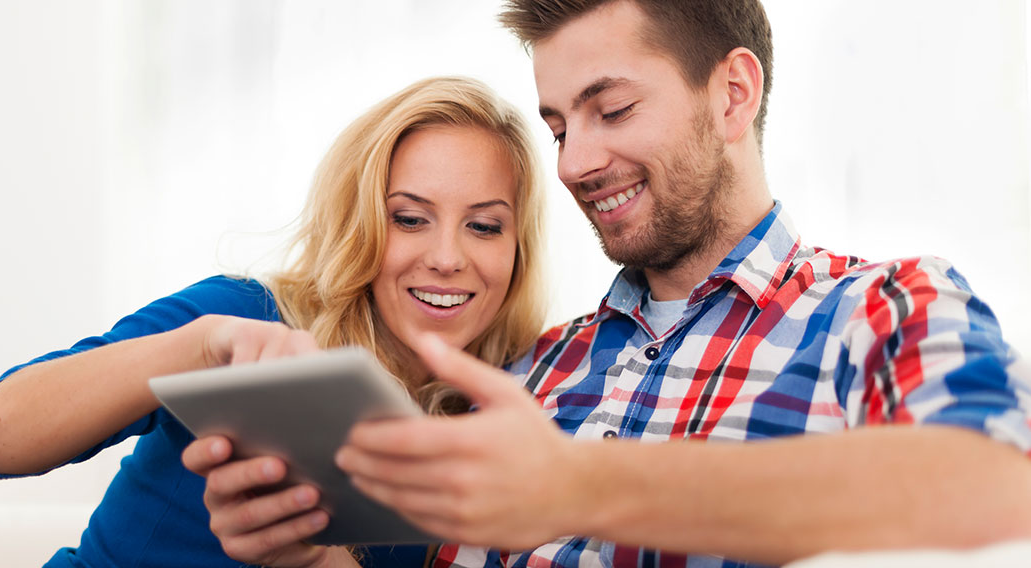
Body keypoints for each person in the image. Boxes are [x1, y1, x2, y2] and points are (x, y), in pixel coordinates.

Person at [190, 1, 1031, 566]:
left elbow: (1001, 486)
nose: (573, 163)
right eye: (558, 125)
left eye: (612, 110)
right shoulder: (533, 368)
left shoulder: (879, 308)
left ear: (733, 95)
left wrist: (580, 485)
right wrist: (307, 555)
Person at [0, 75, 548, 568]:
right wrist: (198, 350)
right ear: (358, 225)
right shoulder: (243, 317)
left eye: (485, 225)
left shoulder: (515, 406)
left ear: (517, 248)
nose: (447, 258)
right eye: (409, 219)